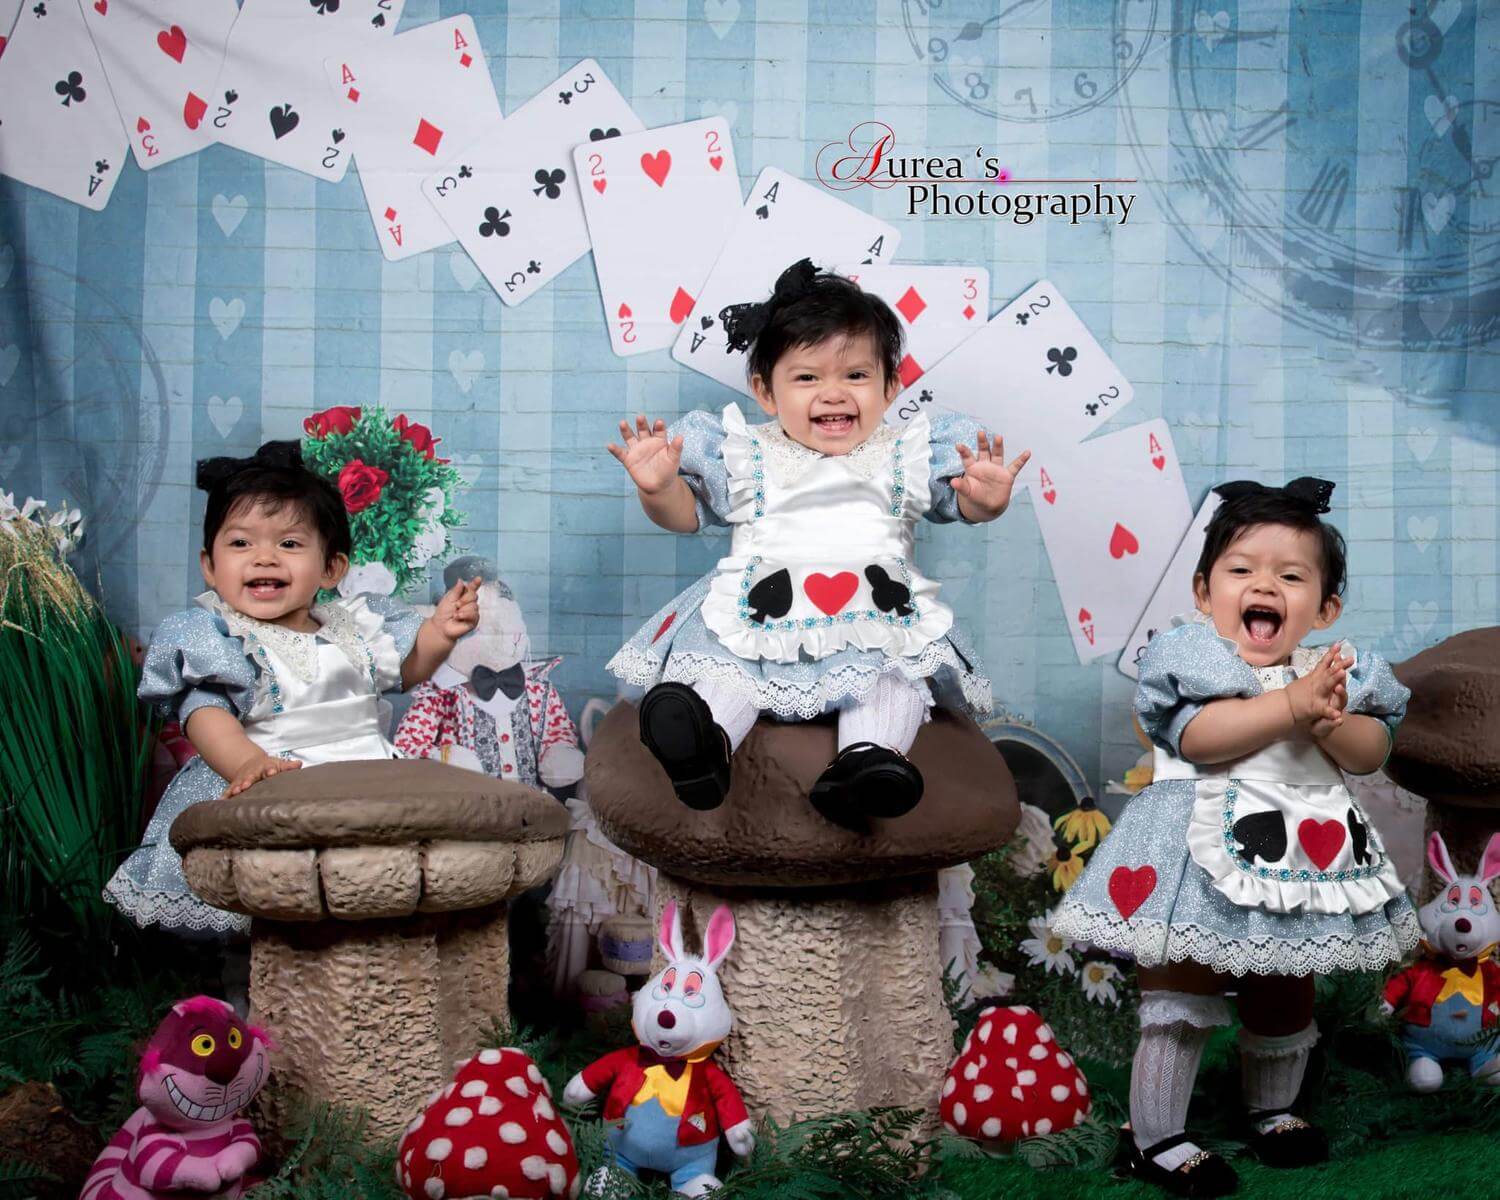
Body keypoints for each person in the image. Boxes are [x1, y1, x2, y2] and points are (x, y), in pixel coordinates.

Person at [1051, 478, 1419, 1197]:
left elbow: (1373, 752)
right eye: (1242, 570)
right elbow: (1200, 738)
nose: (1265, 586)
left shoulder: (1337, 672)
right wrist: (1288, 704)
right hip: (1194, 856)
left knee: (1285, 987)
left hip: (1299, 856)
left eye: (1291, 575)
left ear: (1325, 606)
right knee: (1180, 993)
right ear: (1203, 591)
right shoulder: (1196, 659)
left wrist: (1328, 717)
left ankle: (1272, 1110)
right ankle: (1155, 1136)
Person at [605, 259, 1028, 822]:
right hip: (760, 608)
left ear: (890, 386)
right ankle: (702, 745)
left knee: (894, 680)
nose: (833, 394)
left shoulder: (906, 449)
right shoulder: (745, 451)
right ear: (766, 391)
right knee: (719, 670)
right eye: (807, 378)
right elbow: (686, 517)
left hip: (873, 616)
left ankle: (866, 764)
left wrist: (987, 499)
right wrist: (658, 488)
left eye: (855, 376)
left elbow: (961, 504)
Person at [104, 441, 479, 933]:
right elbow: (204, 712)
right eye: (240, 544)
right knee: (271, 900)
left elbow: (404, 672)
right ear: (210, 566)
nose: (264, 558)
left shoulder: (355, 626)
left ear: (331, 568)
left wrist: (439, 635)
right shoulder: (217, 636)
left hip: (364, 777)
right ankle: (248, 984)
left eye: (289, 544)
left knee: (366, 886)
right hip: (270, 778)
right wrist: (246, 763)